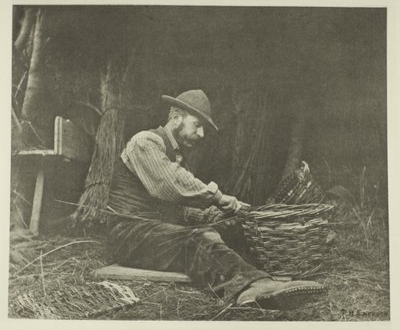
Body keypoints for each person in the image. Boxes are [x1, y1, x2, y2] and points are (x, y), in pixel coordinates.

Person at [107, 89, 326, 310]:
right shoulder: (145, 142)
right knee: (198, 239)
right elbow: (171, 184)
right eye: (197, 124)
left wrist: (220, 215)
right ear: (176, 118)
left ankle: (268, 279)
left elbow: (181, 210)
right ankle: (249, 287)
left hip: (155, 232)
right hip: (130, 235)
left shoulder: (175, 156)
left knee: (227, 228)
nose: (202, 134)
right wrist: (218, 197)